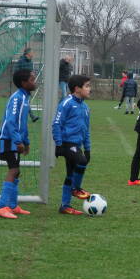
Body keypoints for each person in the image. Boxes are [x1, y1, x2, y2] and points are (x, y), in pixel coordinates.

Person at [0, 69, 37, 219]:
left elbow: (22, 124)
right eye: (32, 79)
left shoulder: (25, 98)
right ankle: (0, 206)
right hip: (8, 139)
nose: (35, 82)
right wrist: (17, 141)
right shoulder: (17, 98)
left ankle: (12, 206)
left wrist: (26, 142)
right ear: (24, 83)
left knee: (16, 171)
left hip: (15, 139)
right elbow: (11, 121)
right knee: (13, 170)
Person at [52, 74, 93, 215]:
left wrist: (87, 149)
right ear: (77, 89)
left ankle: (65, 206)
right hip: (67, 143)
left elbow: (86, 130)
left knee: (70, 174)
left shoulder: (85, 107)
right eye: (87, 86)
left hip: (77, 145)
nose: (89, 89)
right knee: (81, 161)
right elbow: (56, 124)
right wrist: (58, 144)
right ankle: (76, 188)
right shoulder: (66, 103)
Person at [15, 48, 39, 122]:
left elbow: (31, 72)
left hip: (28, 84)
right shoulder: (21, 61)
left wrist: (32, 75)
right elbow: (16, 72)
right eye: (32, 52)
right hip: (22, 84)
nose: (33, 54)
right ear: (28, 53)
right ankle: (31, 116)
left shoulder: (30, 62)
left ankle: (29, 115)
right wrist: (22, 79)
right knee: (24, 100)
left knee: (25, 100)